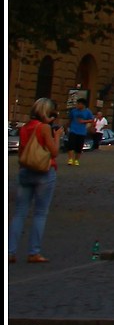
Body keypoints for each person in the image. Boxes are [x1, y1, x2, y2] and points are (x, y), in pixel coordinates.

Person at [12, 98, 62, 263]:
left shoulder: (25, 127)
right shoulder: (45, 128)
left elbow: (21, 151)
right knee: (40, 213)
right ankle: (34, 252)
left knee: (19, 214)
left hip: (25, 170)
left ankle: (9, 251)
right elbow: (54, 152)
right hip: (44, 172)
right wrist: (58, 136)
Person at [63, 96, 94, 165]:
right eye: (77, 104)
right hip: (73, 130)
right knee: (71, 145)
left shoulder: (88, 112)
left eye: (79, 104)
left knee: (79, 147)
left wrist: (84, 121)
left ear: (83, 105)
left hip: (82, 132)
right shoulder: (73, 111)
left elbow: (92, 120)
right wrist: (66, 126)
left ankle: (76, 160)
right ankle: (70, 159)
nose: (77, 105)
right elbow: (70, 119)